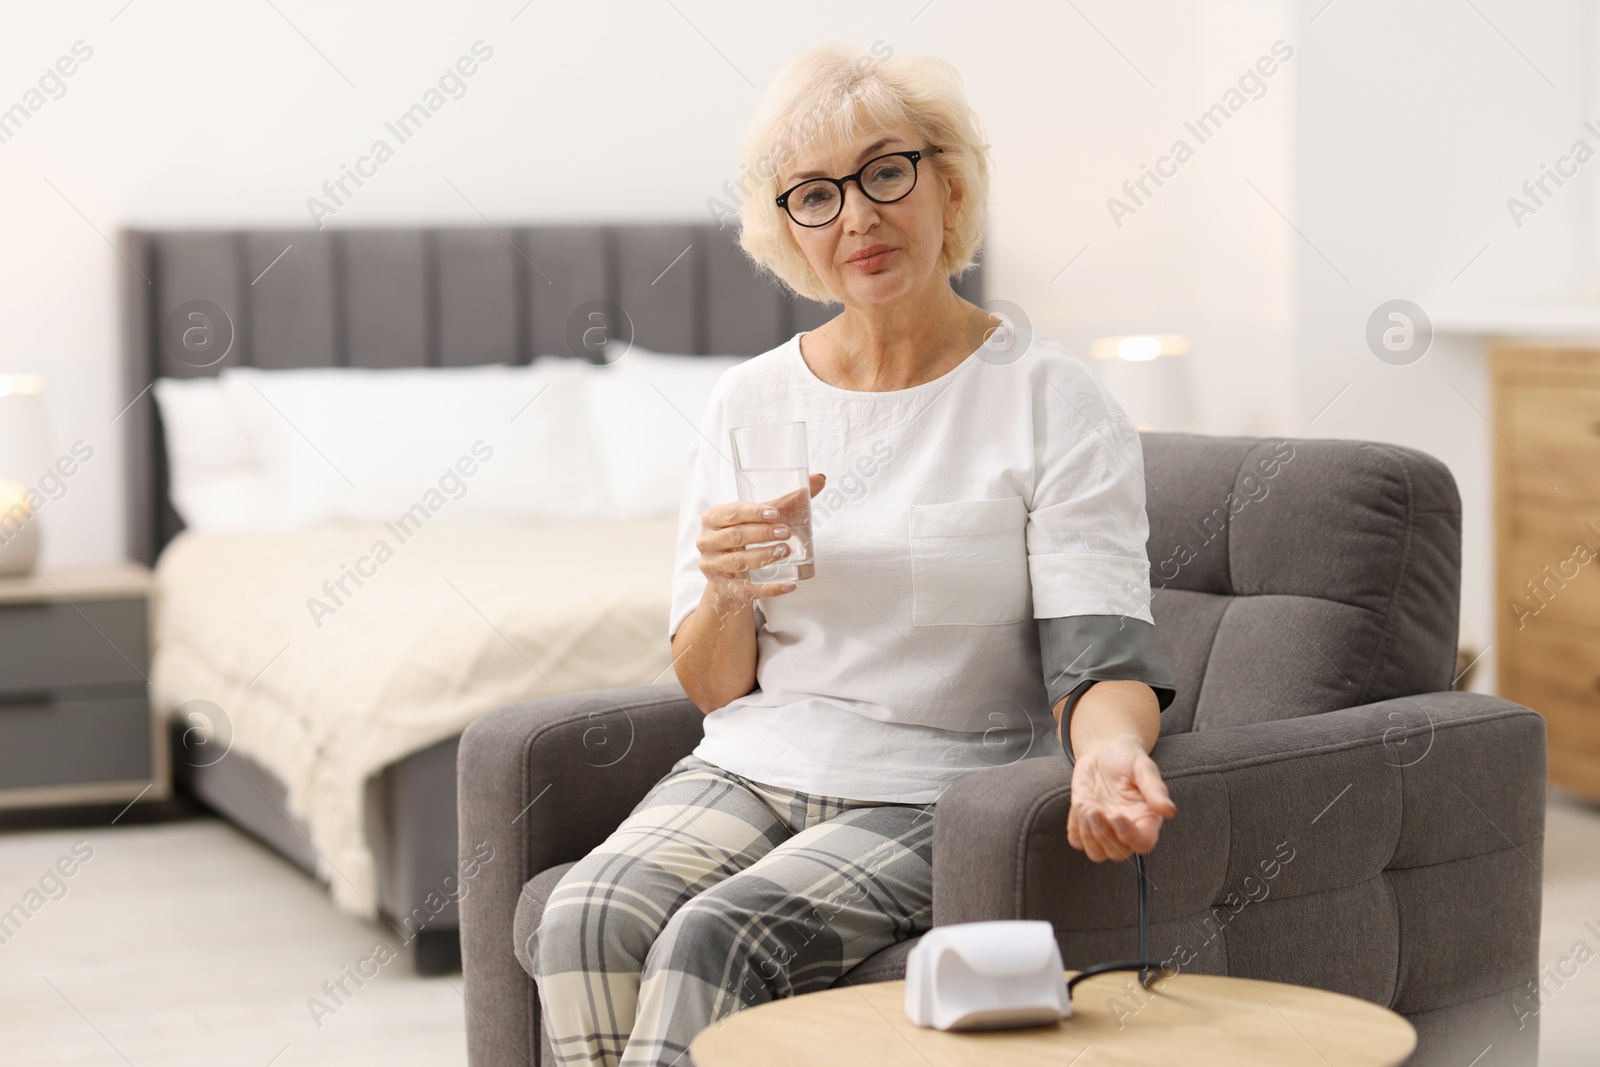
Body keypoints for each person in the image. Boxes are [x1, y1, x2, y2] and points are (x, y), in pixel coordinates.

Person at [530, 41, 1177, 1067]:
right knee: (584, 913)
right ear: (786, 227)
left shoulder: (1048, 399)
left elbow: (1102, 654)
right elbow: (709, 684)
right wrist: (729, 588)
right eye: (815, 195)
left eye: (885, 171)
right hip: (752, 763)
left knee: (715, 936)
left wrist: (1107, 751)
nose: (858, 217)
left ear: (947, 182)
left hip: (936, 786)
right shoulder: (749, 400)